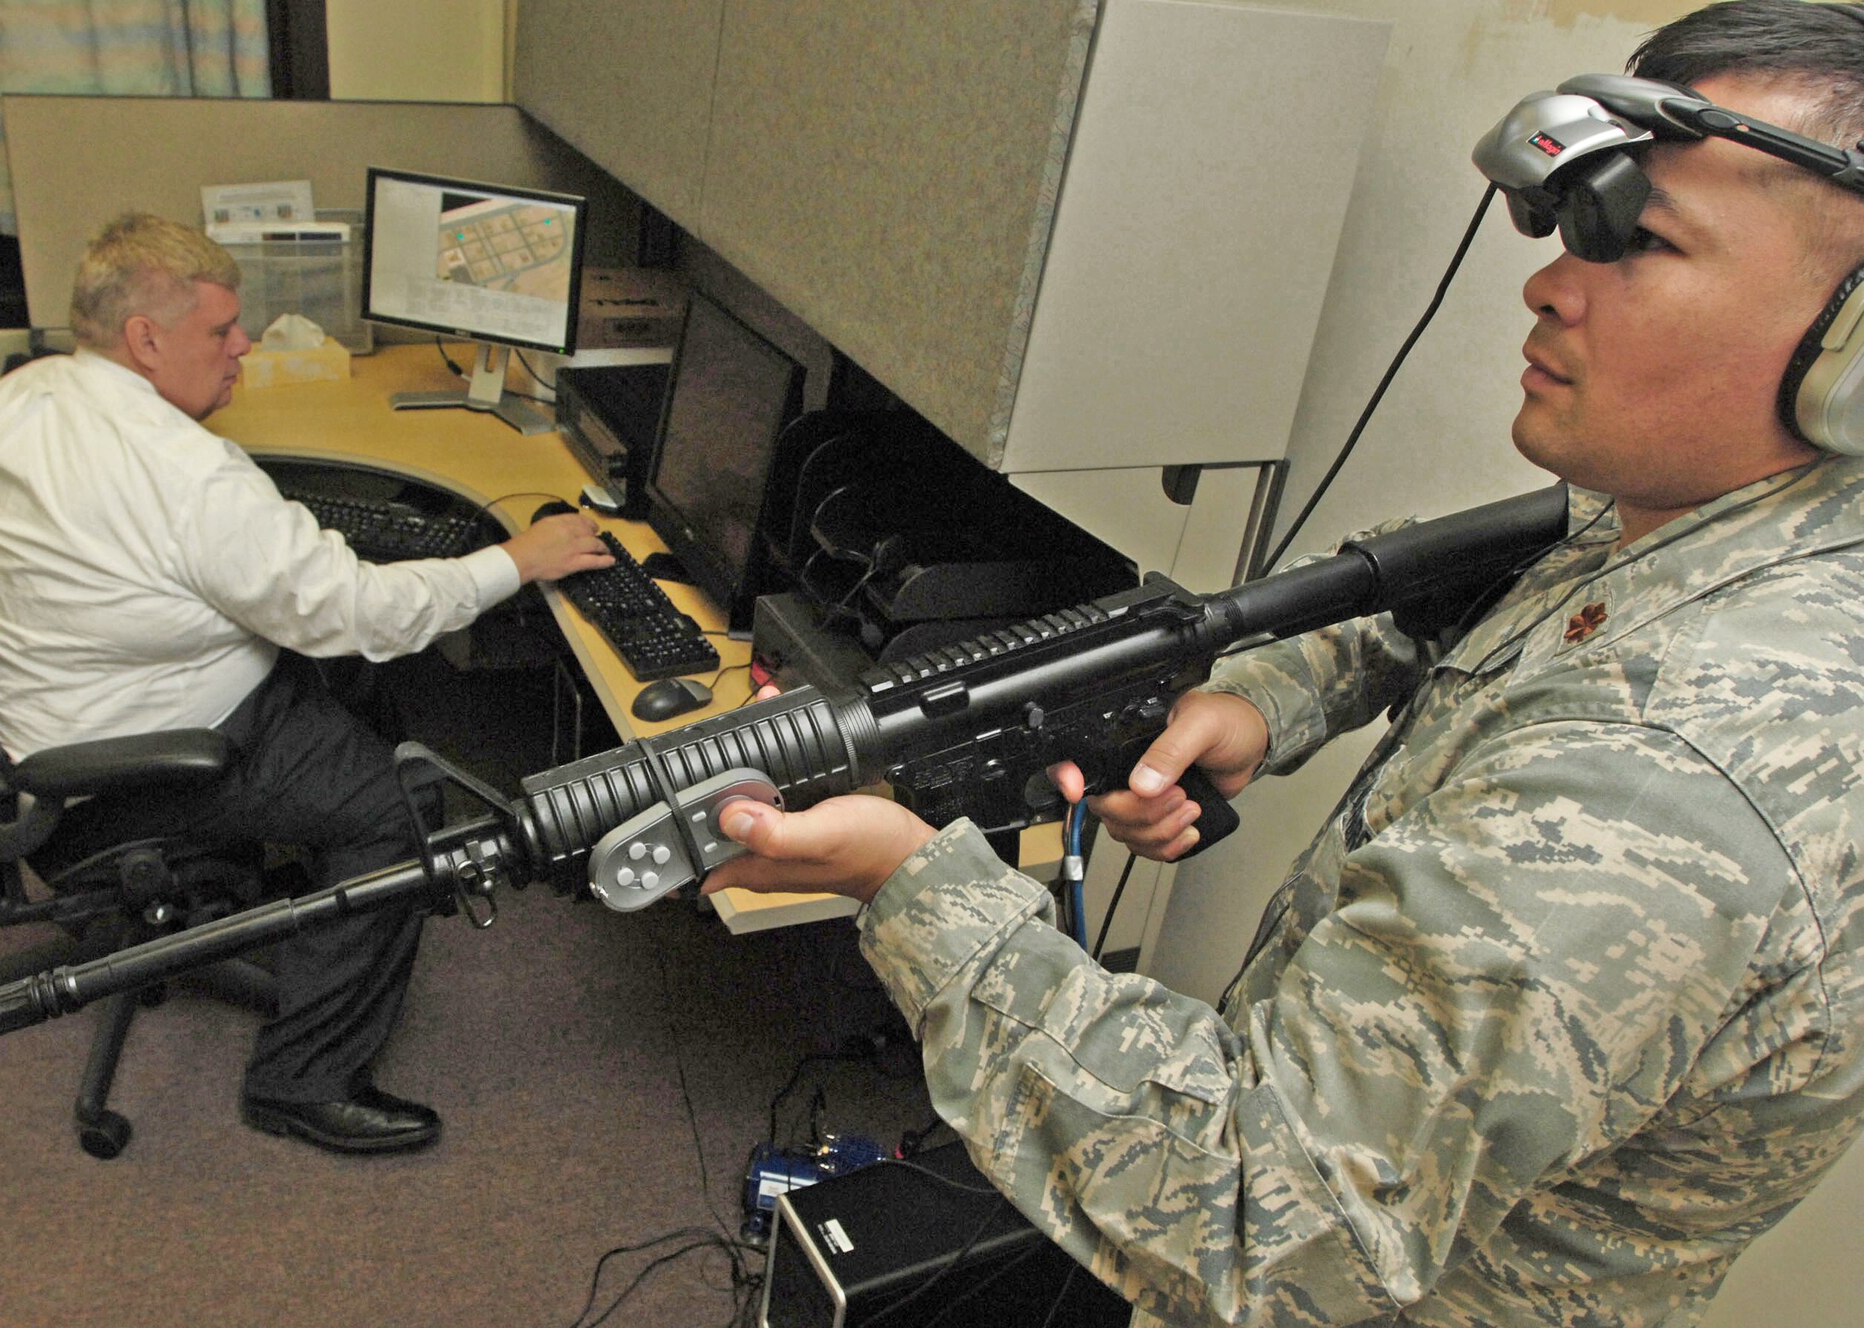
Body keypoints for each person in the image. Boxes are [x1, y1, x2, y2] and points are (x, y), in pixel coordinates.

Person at [706, 2, 1864, 1322]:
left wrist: (905, 883)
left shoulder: (1671, 783)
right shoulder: (1727, 519)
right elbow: (1454, 587)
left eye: (1643, 244)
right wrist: (1259, 699)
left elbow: (1258, 1213)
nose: (1551, 285)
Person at [0, 213, 612, 1154]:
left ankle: (329, 880)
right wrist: (517, 560)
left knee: (341, 670)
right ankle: (304, 1079)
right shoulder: (188, 476)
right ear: (145, 339)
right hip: (123, 767)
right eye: (220, 331)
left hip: (51, 712)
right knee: (392, 811)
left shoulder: (20, 396)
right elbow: (362, 613)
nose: (243, 346)